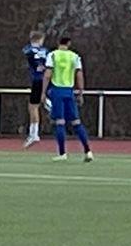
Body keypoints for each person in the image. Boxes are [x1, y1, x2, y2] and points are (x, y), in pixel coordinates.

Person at [45, 34, 93, 162]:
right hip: (69, 91)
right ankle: (88, 151)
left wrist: (43, 92)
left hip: (57, 90)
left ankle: (62, 153)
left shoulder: (53, 55)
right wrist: (81, 92)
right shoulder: (74, 56)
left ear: (58, 42)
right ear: (69, 44)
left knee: (59, 122)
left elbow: (48, 74)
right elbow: (79, 75)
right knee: (76, 122)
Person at [21, 28, 50, 148]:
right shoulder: (46, 51)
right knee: (35, 105)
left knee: (33, 107)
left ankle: (34, 134)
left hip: (36, 79)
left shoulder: (28, 49)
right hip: (46, 79)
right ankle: (48, 103)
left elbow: (27, 53)